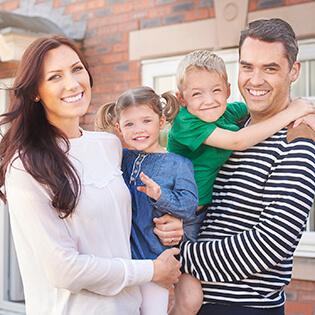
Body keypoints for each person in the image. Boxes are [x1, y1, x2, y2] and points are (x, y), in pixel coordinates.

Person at [0, 34, 182, 315]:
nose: (72, 84)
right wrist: (151, 270)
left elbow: (128, 218)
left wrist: (169, 223)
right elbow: (64, 269)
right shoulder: (25, 165)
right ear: (35, 92)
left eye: (77, 69)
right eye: (54, 77)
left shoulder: (109, 145)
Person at [178, 18, 315, 315]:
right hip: (193, 299)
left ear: (294, 71)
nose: (255, 80)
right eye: (247, 66)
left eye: (270, 68)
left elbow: (269, 244)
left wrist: (178, 253)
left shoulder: (297, 140)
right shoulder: (231, 125)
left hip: (241, 307)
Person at [95, 86, 199, 315]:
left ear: (161, 122)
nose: (138, 130)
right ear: (119, 128)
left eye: (146, 121)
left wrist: (161, 196)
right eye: (129, 124)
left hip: (155, 264)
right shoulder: (120, 158)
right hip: (121, 263)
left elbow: (189, 206)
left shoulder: (178, 164)